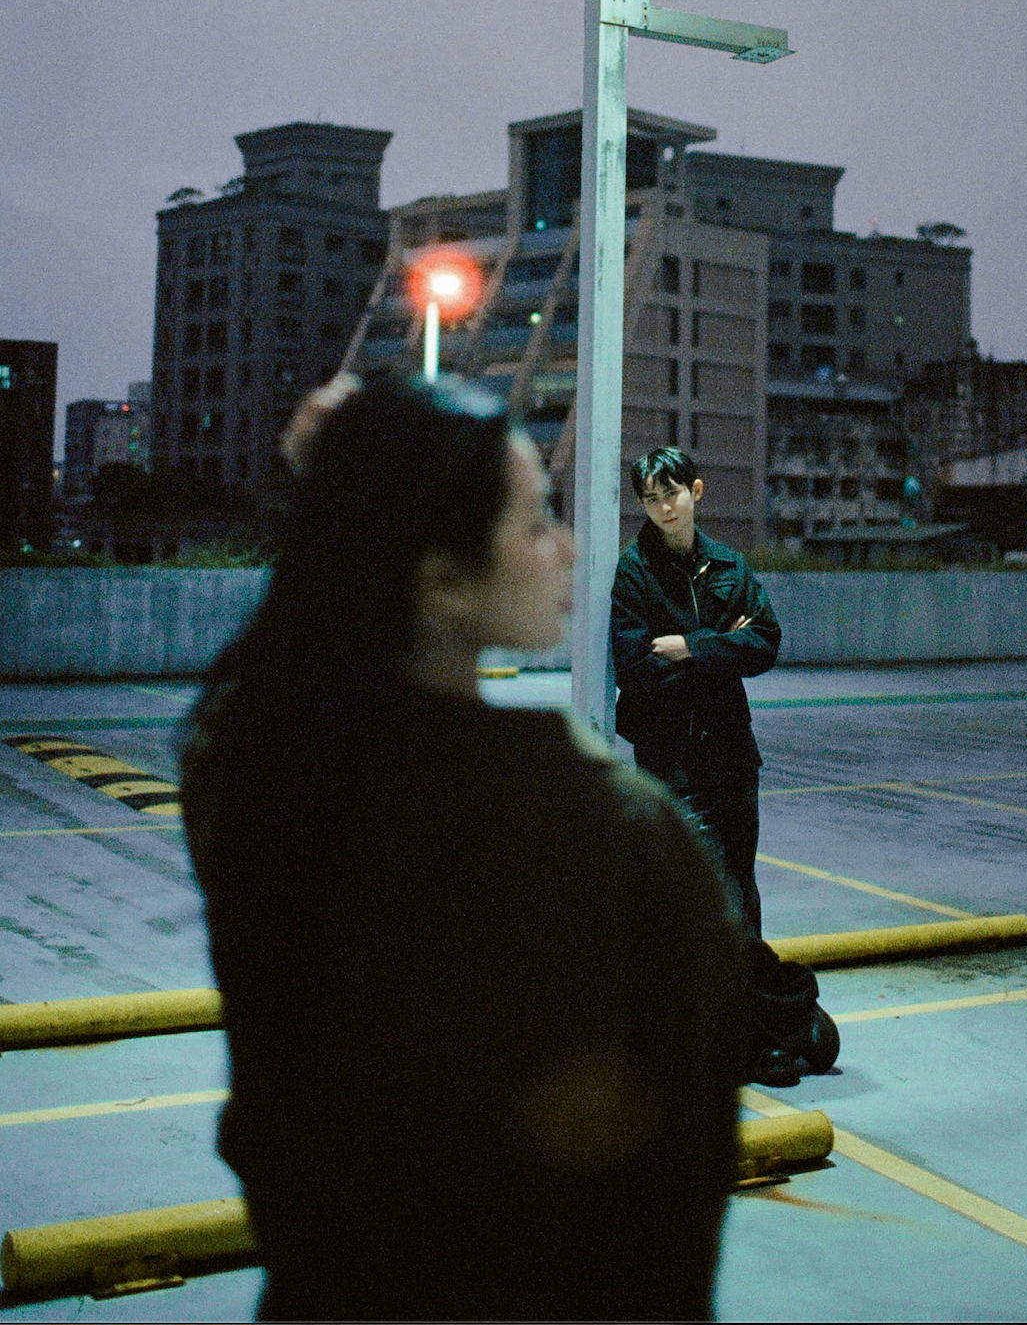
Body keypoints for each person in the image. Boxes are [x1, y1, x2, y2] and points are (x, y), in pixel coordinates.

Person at [181, 376, 746, 1322]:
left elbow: (269, 688)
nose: (568, 548)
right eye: (535, 522)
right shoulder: (605, 835)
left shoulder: (258, 784)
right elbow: (667, 1209)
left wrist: (351, 477)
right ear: (441, 580)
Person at [610, 445, 839, 1088]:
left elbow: (764, 642)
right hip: (673, 762)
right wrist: (721, 650)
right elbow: (636, 669)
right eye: (651, 499)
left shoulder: (729, 565)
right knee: (720, 899)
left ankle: (746, 1028)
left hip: (734, 756)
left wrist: (692, 647)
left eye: (672, 494)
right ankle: (778, 1017)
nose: (663, 508)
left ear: (696, 491)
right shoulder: (634, 573)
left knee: (742, 891)